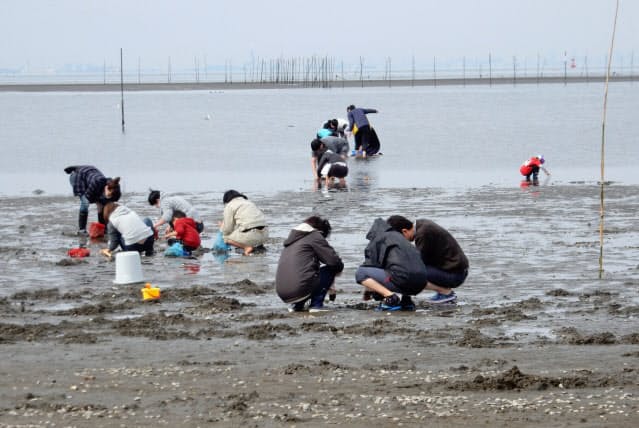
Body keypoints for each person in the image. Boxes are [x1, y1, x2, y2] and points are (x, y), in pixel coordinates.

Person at [355, 216, 427, 311]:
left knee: (361, 272)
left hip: (404, 280)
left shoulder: (380, 238)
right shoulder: (404, 242)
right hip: (421, 283)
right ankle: (406, 301)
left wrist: (369, 291)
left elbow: (371, 265)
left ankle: (391, 298)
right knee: (401, 268)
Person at [275, 216, 344, 313]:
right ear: (321, 231)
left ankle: (297, 306)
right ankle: (316, 305)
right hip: (299, 289)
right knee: (331, 268)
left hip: (283, 293)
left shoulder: (292, 240)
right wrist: (336, 273)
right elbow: (334, 261)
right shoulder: (314, 236)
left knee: (304, 273)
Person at [414, 219, 469, 304]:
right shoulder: (423, 225)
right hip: (458, 270)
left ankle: (446, 293)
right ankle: (443, 292)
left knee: (412, 274)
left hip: (456, 275)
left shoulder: (423, 233)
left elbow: (419, 262)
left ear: (404, 231)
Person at [64, 165, 121, 235]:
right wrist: (100, 200)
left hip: (90, 174)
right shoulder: (97, 182)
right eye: (109, 194)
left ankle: (103, 228)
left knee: (101, 204)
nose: (109, 196)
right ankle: (82, 230)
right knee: (85, 202)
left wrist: (103, 201)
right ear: (106, 188)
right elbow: (89, 198)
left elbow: (109, 201)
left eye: (111, 195)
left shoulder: (116, 189)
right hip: (78, 177)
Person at [219, 190, 268, 255]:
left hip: (251, 236)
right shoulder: (249, 202)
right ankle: (259, 246)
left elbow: (227, 230)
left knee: (225, 237)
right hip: (265, 235)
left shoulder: (229, 206)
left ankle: (246, 247)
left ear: (226, 200)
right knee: (250, 225)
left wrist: (222, 226)